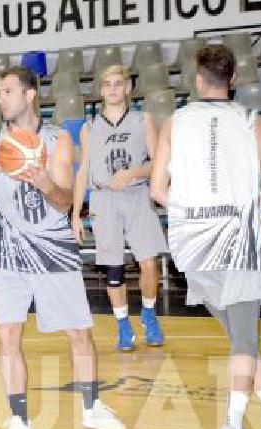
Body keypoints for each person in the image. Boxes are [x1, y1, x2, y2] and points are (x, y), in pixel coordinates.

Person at [0, 66, 126, 429]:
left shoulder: (57, 139)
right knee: (7, 336)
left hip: (53, 247)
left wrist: (44, 181)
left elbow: (65, 203)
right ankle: (19, 422)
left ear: (30, 95)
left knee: (79, 332)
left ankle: (92, 407)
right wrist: (1, 163)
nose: (0, 98)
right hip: (7, 251)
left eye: (8, 91)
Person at [149, 45, 261, 429]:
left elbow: (158, 191)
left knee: (241, 337)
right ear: (233, 80)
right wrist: (249, 207)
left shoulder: (174, 123)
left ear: (198, 80)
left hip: (193, 248)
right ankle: (232, 428)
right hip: (237, 242)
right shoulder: (252, 121)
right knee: (244, 340)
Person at [71, 64, 167, 351]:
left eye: (117, 84)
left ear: (127, 88)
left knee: (149, 262)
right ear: (101, 90)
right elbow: (83, 171)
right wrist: (76, 214)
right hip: (103, 200)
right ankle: (123, 325)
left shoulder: (143, 120)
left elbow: (157, 164)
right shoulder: (89, 127)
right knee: (114, 269)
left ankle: (149, 315)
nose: (112, 89)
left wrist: (133, 173)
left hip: (137, 195)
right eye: (107, 84)